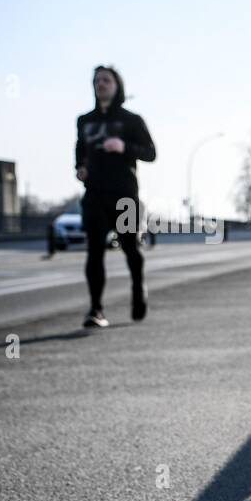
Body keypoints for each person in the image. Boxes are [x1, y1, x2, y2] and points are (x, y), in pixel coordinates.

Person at [75, 65, 155, 328]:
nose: (101, 84)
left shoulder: (132, 120)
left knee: (131, 248)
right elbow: (80, 151)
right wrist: (81, 168)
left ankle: (138, 291)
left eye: (106, 80)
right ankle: (96, 309)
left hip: (124, 195)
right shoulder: (85, 121)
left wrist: (124, 147)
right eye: (97, 80)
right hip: (95, 194)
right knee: (94, 251)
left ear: (117, 85)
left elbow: (151, 153)